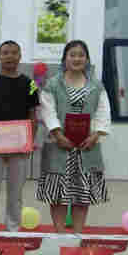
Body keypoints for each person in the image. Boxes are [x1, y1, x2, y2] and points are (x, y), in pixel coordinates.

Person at [37, 40, 111, 234]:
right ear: (65, 59)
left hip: (87, 147)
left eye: (81, 55)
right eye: (72, 55)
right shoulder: (53, 84)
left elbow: (103, 112)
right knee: (58, 195)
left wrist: (96, 134)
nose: (77, 59)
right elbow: (48, 111)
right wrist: (57, 134)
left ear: (87, 59)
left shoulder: (96, 85)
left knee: (82, 195)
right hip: (59, 146)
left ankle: (78, 234)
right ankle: (60, 234)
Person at [0, 41, 40, 232]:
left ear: (20, 56)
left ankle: (13, 228)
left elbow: (33, 116)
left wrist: (30, 141)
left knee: (16, 192)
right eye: (5, 53)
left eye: (14, 53)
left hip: (20, 147)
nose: (10, 56)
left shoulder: (29, 84)